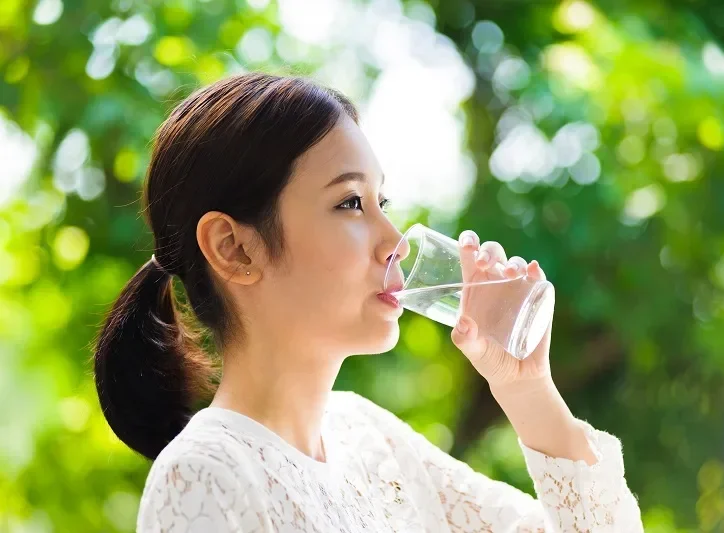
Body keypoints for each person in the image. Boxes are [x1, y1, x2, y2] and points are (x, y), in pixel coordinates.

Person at [92, 72, 643, 532]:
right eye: (351, 202)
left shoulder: (369, 438)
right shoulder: (206, 476)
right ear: (234, 248)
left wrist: (525, 388)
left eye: (382, 200)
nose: (396, 239)